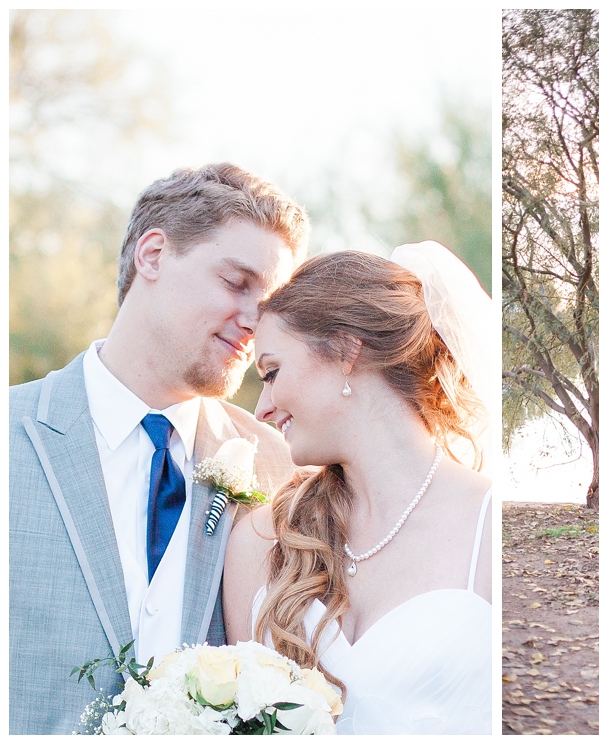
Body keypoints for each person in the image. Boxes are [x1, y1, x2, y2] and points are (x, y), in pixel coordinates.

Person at [8, 163, 307, 734]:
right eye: (236, 283)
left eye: (266, 305)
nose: (253, 323)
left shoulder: (279, 466)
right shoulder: (10, 433)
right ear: (152, 255)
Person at [223, 243, 493, 735]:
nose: (262, 408)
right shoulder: (261, 541)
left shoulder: (489, 524)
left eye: (272, 372)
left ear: (347, 353)